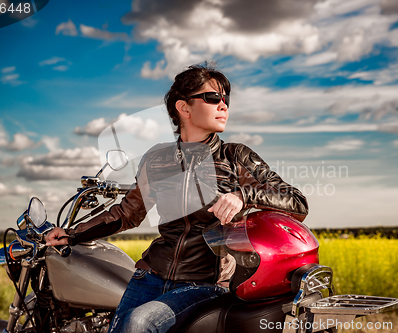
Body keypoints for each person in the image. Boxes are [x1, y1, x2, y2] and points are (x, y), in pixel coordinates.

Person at [45, 62, 309, 333]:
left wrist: (243, 195)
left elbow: (297, 201)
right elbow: (128, 213)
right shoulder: (157, 158)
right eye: (212, 98)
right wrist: (72, 234)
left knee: (139, 323)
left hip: (205, 283)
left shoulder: (235, 156)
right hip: (150, 275)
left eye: (225, 99)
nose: (223, 105)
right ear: (183, 108)